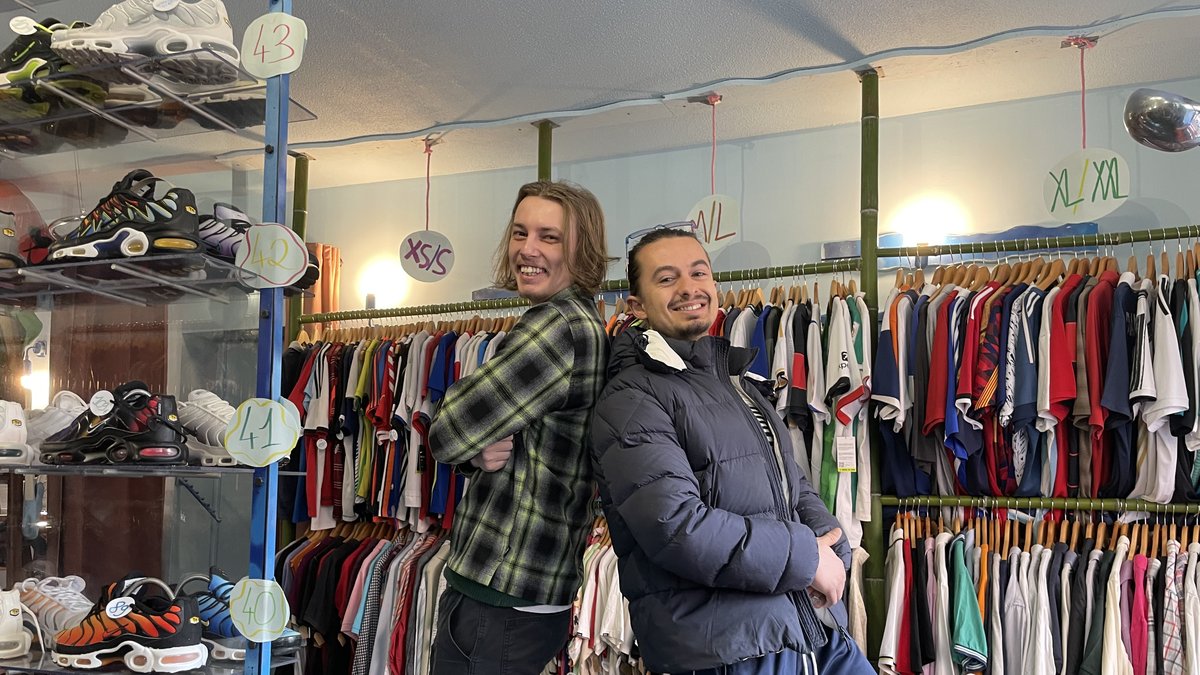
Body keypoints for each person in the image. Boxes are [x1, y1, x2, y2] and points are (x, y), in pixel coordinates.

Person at [589, 228, 874, 675]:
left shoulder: (735, 382)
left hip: (808, 628)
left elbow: (792, 485)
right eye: (666, 279)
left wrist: (830, 550)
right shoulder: (633, 398)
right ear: (637, 306)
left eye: (698, 272)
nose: (688, 287)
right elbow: (677, 527)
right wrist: (806, 559)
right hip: (728, 650)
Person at [428, 180, 611, 674]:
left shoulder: (555, 328)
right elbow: (480, 441)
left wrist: (464, 437)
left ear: (582, 249)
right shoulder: (584, 323)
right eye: (519, 232)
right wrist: (476, 449)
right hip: (527, 589)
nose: (526, 250)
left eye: (549, 237)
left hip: (500, 588)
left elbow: (446, 431)